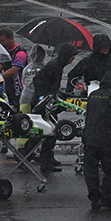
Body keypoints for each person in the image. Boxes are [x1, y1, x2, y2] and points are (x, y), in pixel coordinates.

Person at [82, 70, 111, 210]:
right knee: (110, 171)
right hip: (107, 141)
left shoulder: (92, 96)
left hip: (90, 139)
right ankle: (106, 197)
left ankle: (94, 198)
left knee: (91, 171)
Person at [30, 42, 79, 173]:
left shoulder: (58, 65)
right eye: (72, 56)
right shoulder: (54, 66)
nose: (73, 59)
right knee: (50, 132)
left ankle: (48, 157)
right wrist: (44, 96)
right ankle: (43, 161)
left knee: (53, 130)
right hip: (42, 104)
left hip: (49, 103)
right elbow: (37, 80)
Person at [0, 27, 28, 109]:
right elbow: (2, 65)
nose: (1, 43)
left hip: (18, 87)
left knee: (16, 107)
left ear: (11, 38)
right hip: (8, 86)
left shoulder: (20, 52)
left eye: (3, 41)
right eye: (0, 41)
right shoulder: (5, 51)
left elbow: (14, 69)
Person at [19, 44, 47, 113]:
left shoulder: (26, 68)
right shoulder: (45, 68)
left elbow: (23, 83)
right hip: (40, 100)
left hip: (25, 98)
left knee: (25, 121)